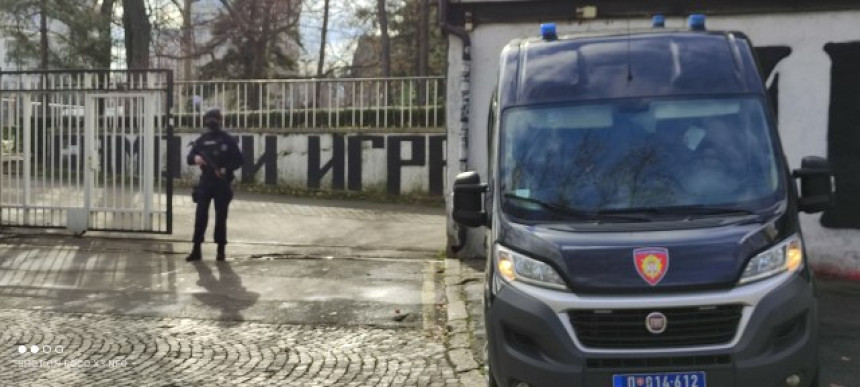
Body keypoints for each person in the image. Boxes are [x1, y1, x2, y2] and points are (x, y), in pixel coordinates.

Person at [186, 108, 243, 262]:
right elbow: (190, 157)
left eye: (213, 119)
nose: (211, 122)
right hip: (206, 182)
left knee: (221, 217)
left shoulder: (228, 139)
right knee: (201, 216)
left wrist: (225, 169)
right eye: (208, 119)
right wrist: (196, 158)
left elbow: (238, 160)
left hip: (222, 183)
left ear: (220, 120)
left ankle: (220, 250)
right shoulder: (202, 140)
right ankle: (196, 249)